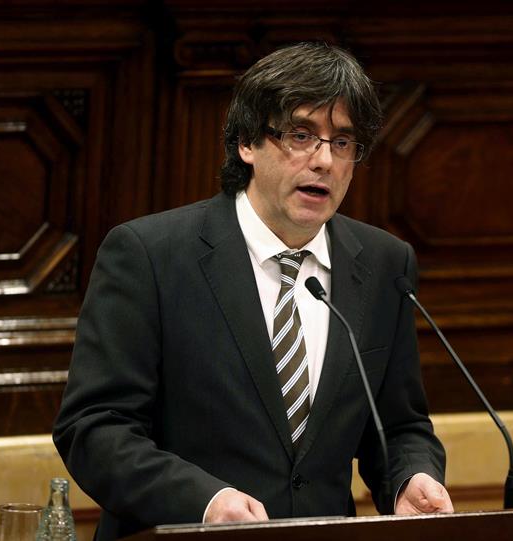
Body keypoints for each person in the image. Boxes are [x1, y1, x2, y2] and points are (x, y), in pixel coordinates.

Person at [53, 42, 452, 540]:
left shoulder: (383, 264)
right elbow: (94, 428)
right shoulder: (149, 255)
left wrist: (410, 477)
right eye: (301, 135)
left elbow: (398, 425)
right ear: (247, 143)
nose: (323, 160)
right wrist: (205, 501)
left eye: (343, 142)